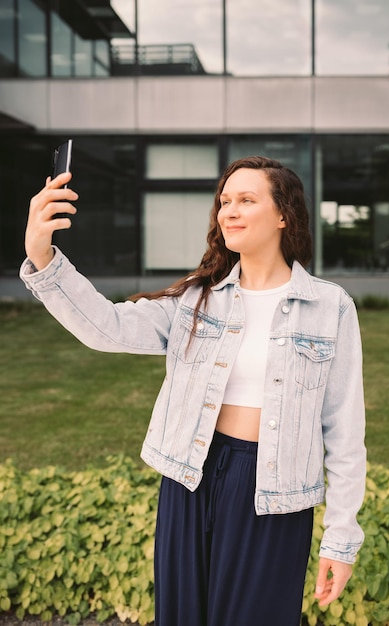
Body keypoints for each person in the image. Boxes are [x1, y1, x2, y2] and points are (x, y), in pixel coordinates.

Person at [20, 156, 366, 626]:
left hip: (273, 493)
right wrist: (43, 257)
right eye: (225, 201)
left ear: (284, 214)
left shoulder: (331, 307)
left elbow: (345, 433)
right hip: (191, 477)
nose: (229, 211)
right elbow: (108, 327)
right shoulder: (196, 299)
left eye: (247, 200)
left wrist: (341, 540)